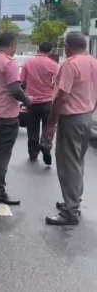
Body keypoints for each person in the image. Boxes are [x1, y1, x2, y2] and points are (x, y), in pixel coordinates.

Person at [43, 32, 97, 226]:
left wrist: (51, 124)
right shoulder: (94, 62)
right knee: (78, 162)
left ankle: (70, 210)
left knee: (68, 165)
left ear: (67, 45)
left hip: (72, 119)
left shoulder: (70, 64)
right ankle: (74, 200)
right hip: (86, 117)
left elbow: (62, 97)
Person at [0, 32, 31, 205]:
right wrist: (27, 100)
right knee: (2, 154)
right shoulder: (9, 63)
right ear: (12, 45)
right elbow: (15, 90)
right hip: (6, 116)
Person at [20, 41, 59, 165]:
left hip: (32, 102)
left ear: (38, 49)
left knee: (32, 129)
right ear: (50, 51)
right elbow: (57, 83)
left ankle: (33, 152)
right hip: (48, 101)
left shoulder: (28, 63)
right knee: (48, 126)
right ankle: (46, 145)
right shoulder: (53, 65)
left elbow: (21, 81)